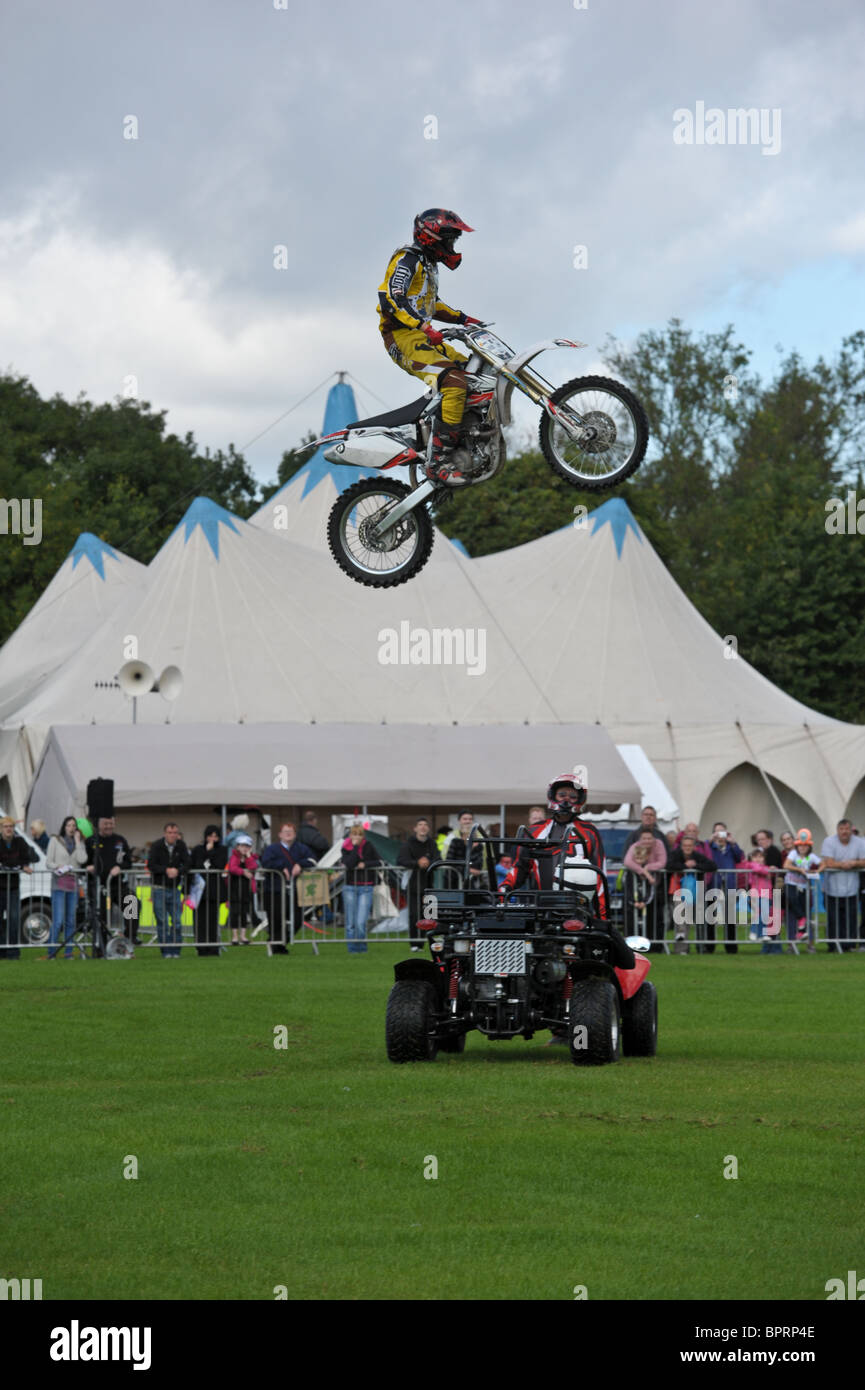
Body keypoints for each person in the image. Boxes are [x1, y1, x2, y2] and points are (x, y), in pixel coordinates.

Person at [500, 774, 634, 1043]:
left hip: (575, 910)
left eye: (573, 797)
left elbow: (598, 876)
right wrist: (504, 891)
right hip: (539, 909)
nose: (567, 801)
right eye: (563, 795)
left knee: (579, 963)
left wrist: (602, 918)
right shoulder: (534, 832)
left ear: (580, 802)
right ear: (553, 797)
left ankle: (572, 1027)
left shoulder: (589, 832)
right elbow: (519, 869)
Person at [377, 208, 483, 479]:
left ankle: (462, 436)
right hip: (402, 337)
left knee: (476, 371)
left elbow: (428, 304)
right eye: (450, 238)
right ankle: (438, 461)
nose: (452, 245)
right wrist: (424, 326)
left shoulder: (427, 264)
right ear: (430, 236)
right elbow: (391, 298)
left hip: (422, 335)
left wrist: (463, 318)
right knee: (455, 382)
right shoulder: (407, 259)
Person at [260, 823, 316, 954]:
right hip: (275, 889)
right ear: (280, 834)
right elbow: (266, 862)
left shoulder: (301, 848)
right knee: (276, 918)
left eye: (290, 831)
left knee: (297, 918)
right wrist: (280, 867)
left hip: (295, 889)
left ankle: (280, 942)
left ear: (295, 834)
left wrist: (300, 865)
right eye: (285, 831)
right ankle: (277, 946)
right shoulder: (272, 849)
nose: (288, 834)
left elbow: (313, 860)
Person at [85, 816, 132, 954]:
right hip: (99, 887)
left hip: (118, 886)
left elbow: (128, 862)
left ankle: (128, 940)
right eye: (105, 823)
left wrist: (120, 867)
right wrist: (87, 867)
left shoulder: (120, 840)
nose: (108, 826)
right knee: (102, 917)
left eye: (111, 823)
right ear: (99, 824)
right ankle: (102, 948)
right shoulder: (91, 841)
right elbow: (82, 861)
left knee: (133, 904)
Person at [819, 819, 865, 953]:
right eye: (842, 829)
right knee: (833, 918)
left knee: (850, 917)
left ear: (851, 830)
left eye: (847, 829)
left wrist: (853, 863)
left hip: (851, 888)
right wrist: (843, 865)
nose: (844, 832)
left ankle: (848, 945)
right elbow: (828, 862)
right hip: (831, 888)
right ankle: (833, 945)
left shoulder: (860, 842)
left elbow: (863, 861)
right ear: (837, 830)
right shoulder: (829, 841)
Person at [46, 816, 87, 959]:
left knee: (71, 921)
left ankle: (68, 952)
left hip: (73, 885)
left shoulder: (79, 842)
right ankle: (51, 951)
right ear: (64, 827)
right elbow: (48, 862)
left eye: (74, 826)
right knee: (58, 921)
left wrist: (78, 842)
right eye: (69, 825)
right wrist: (59, 866)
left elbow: (82, 860)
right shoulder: (55, 840)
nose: (71, 828)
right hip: (58, 884)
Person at [666, 834, 715, 953]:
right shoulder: (675, 854)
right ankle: (681, 939)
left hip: (692, 891)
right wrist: (684, 866)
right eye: (685, 845)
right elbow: (668, 865)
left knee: (686, 919)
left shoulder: (697, 856)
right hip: (677, 890)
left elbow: (712, 866)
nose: (687, 848)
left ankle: (683, 949)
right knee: (679, 915)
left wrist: (696, 866)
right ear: (681, 846)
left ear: (694, 847)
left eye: (690, 845)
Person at [147, 823, 190, 959]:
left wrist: (178, 871)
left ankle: (176, 951)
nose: (173, 835)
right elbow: (151, 865)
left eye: (175, 832)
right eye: (170, 832)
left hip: (174, 889)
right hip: (159, 889)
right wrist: (166, 870)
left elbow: (189, 863)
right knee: (162, 922)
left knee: (177, 921)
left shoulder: (181, 845)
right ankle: (166, 951)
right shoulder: (156, 846)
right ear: (165, 833)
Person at [623, 828, 667, 951]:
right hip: (638, 886)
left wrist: (648, 867)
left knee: (654, 918)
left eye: (649, 838)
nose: (647, 841)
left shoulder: (659, 844)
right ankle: (631, 946)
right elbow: (627, 861)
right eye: (644, 838)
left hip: (654, 886)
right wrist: (644, 872)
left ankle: (655, 946)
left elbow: (662, 863)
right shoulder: (635, 846)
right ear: (640, 840)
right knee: (632, 921)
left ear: (653, 839)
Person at [0, 816, 38, 960]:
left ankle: (13, 953)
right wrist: (17, 865)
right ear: (1, 828)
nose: (9, 829)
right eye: (6, 826)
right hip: (0, 887)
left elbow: (26, 858)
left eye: (11, 826)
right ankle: (1, 950)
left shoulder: (20, 841)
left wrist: (14, 865)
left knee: (14, 919)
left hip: (13, 887)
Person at [340, 824, 381, 954]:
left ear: (363, 836)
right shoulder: (345, 847)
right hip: (350, 887)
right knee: (351, 922)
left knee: (361, 921)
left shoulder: (369, 846)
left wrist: (366, 864)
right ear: (350, 835)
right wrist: (355, 847)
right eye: (354, 834)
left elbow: (378, 862)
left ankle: (362, 948)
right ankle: (352, 950)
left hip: (366, 887)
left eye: (359, 834)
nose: (357, 837)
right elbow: (349, 864)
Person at [398, 817, 437, 951]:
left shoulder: (432, 843)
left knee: (429, 915)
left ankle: (431, 943)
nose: (423, 827)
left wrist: (428, 863)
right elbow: (401, 860)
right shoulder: (408, 844)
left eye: (425, 825)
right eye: (420, 824)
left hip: (429, 886)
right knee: (414, 915)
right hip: (412, 885)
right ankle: (415, 944)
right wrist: (417, 863)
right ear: (415, 828)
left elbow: (438, 859)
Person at [189, 825, 228, 957]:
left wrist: (209, 853)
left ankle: (213, 947)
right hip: (199, 891)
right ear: (205, 837)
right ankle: (201, 947)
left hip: (214, 890)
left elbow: (219, 864)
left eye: (215, 836)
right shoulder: (197, 849)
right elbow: (197, 865)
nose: (212, 839)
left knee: (212, 920)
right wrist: (206, 853)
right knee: (199, 921)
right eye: (210, 836)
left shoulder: (222, 849)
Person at [781, 829, 822, 954]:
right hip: (791, 884)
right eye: (801, 845)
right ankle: (793, 941)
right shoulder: (793, 854)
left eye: (805, 845)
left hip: (804, 888)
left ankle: (807, 940)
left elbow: (823, 863)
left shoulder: (812, 857)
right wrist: (800, 870)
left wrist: (817, 871)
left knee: (806, 912)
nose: (802, 847)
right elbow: (786, 865)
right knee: (792, 910)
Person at [707, 822, 744, 954]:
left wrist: (733, 843)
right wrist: (710, 841)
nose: (720, 836)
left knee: (730, 916)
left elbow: (740, 857)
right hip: (713, 884)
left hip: (729, 883)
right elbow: (704, 853)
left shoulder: (731, 847)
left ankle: (731, 946)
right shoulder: (710, 846)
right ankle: (709, 946)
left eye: (722, 832)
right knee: (710, 915)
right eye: (717, 832)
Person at [446, 811, 495, 887]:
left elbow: (481, 862)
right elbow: (449, 861)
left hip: (475, 881)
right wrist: (468, 870)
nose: (468, 821)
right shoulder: (453, 838)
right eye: (465, 819)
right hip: (455, 881)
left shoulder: (480, 841)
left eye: (470, 819)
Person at [226, 835, 259, 945]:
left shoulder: (252, 857)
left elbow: (253, 867)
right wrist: (243, 872)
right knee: (235, 912)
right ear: (237, 847)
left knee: (244, 912)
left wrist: (249, 857)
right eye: (242, 845)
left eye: (247, 846)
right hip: (235, 888)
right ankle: (235, 936)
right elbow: (232, 868)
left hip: (246, 888)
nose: (244, 848)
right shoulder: (234, 857)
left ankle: (243, 936)